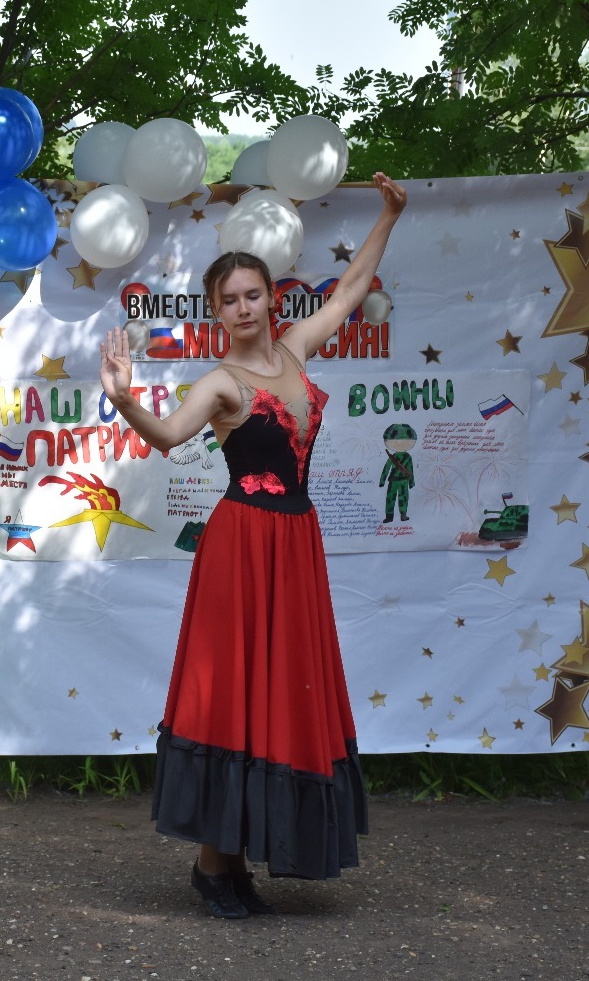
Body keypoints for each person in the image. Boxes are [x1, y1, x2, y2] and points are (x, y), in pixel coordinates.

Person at [99, 173, 407, 918]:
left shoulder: (298, 351)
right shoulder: (220, 383)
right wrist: (126, 399)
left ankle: (234, 862)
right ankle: (214, 866)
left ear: (273, 299)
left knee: (279, 690)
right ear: (216, 312)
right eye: (229, 300)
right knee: (234, 692)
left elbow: (351, 289)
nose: (242, 308)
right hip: (241, 546)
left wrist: (390, 214)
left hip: (295, 543)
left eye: (252, 295)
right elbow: (168, 438)